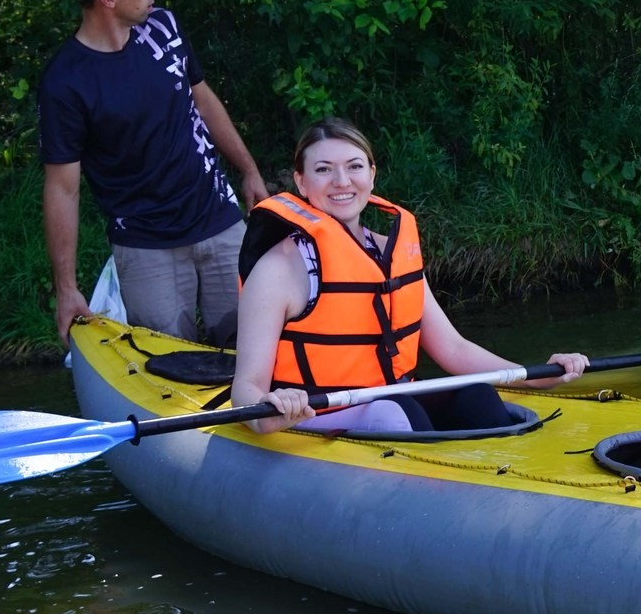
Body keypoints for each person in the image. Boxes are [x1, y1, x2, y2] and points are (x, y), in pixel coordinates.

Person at [231, 118, 591, 435]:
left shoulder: (392, 253)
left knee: (475, 395)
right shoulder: (279, 267)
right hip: (314, 411)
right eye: (323, 169)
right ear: (301, 182)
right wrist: (273, 411)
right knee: (393, 413)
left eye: (354, 166)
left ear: (372, 175)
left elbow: (453, 349)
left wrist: (539, 374)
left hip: (394, 404)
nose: (342, 181)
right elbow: (246, 389)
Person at [42, 0, 267, 344]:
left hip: (219, 220)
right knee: (166, 363)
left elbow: (203, 99)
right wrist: (67, 287)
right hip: (146, 244)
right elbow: (62, 189)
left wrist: (249, 170)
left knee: (254, 342)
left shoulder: (163, 26)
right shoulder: (66, 82)